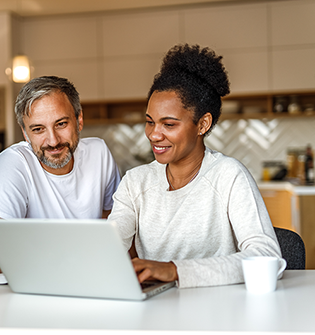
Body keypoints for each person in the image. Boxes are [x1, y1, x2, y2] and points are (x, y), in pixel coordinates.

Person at [108, 44, 282, 288]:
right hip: (158, 312)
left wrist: (175, 270)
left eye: (168, 125)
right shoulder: (135, 182)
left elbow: (267, 256)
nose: (154, 135)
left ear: (202, 124)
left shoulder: (228, 175)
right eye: (150, 122)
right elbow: (110, 247)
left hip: (222, 311)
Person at [0, 76, 121, 273]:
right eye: (38, 129)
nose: (53, 141)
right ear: (25, 133)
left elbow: (118, 229)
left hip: (92, 274)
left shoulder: (99, 152)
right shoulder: (13, 162)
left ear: (79, 120)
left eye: (61, 124)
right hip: (38, 285)